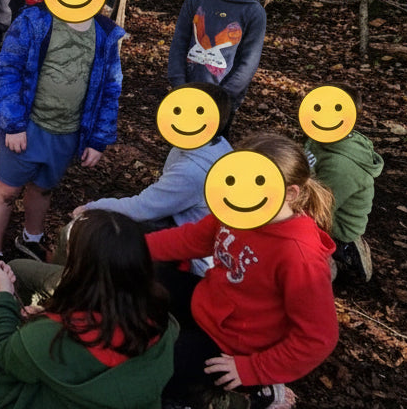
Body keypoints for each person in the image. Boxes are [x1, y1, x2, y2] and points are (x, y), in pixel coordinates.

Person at [149, 134, 338, 409]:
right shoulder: (237, 209)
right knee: (140, 279)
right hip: (210, 302)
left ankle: (253, 391)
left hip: (237, 345)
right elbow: (192, 239)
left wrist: (252, 369)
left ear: (290, 193)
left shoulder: (300, 256)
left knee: (160, 375)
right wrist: (133, 247)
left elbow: (318, 337)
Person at [0, 210, 177, 409]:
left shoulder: (54, 339)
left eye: (70, 258)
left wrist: (5, 294)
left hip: (38, 393)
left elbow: (7, 352)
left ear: (83, 273)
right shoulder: (160, 320)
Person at [0, 0, 124, 278]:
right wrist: (13, 123)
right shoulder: (34, 21)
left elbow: (109, 88)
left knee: (44, 188)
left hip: (67, 132)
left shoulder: (105, 34)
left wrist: (99, 139)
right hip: (27, 128)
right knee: (6, 190)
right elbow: (8, 71)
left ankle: (30, 239)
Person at [73, 83, 234, 278]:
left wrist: (91, 208)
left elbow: (142, 209)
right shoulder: (211, 146)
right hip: (178, 233)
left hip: (192, 261)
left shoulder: (192, 171)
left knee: (89, 236)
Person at [167, 0, 267, 122]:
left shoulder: (253, 11)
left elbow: (248, 62)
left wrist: (224, 97)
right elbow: (179, 43)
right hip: (186, 92)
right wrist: (178, 83)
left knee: (214, 147)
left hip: (222, 103)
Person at [303, 85, 383, 284]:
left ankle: (338, 257)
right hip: (314, 196)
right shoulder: (321, 135)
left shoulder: (341, 166)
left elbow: (319, 209)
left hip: (337, 225)